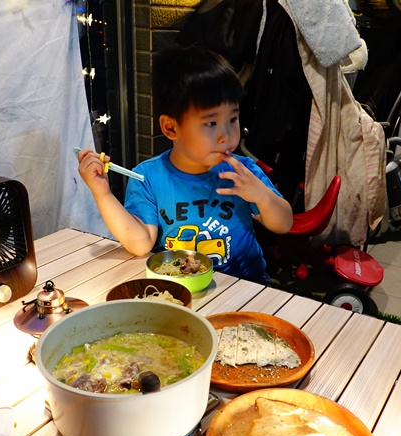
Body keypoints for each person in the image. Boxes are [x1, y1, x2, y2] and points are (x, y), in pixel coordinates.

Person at [77, 44, 292, 282]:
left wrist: (261, 195)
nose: (227, 135)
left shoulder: (242, 170)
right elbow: (140, 244)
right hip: (179, 289)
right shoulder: (148, 178)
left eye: (232, 118)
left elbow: (284, 223)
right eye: (211, 123)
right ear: (171, 127)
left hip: (245, 285)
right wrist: (103, 194)